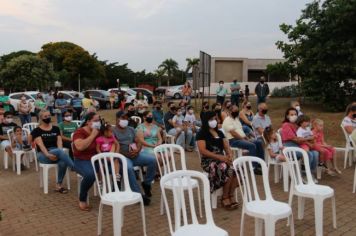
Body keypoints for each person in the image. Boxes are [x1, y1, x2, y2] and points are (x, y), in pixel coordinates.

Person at [196, 111, 239, 210]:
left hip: (222, 159)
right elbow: (203, 151)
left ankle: (230, 194)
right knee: (228, 168)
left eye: (215, 119)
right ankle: (224, 197)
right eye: (211, 119)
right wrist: (220, 158)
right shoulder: (201, 133)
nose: (214, 121)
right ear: (206, 121)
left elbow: (226, 146)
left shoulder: (219, 132)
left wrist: (229, 155)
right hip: (208, 161)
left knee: (236, 168)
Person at [113, 111, 156, 205]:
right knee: (128, 168)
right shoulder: (113, 131)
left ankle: (147, 183)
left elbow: (138, 141)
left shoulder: (131, 129)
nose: (124, 120)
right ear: (117, 119)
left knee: (153, 160)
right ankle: (138, 194)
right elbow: (114, 147)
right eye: (122, 118)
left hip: (135, 154)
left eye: (126, 118)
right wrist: (126, 154)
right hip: (122, 156)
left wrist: (137, 150)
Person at [31, 110, 74, 194]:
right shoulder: (37, 130)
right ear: (41, 118)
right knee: (59, 151)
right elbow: (40, 144)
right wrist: (48, 154)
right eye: (45, 116)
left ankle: (59, 185)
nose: (48, 118)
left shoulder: (55, 128)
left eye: (49, 116)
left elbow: (59, 142)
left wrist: (59, 153)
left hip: (56, 152)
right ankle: (74, 167)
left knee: (63, 162)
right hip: (43, 154)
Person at [222, 105, 265, 174]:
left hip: (241, 138)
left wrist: (247, 138)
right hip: (233, 141)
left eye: (237, 110)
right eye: (235, 111)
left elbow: (241, 131)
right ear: (230, 111)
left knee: (258, 142)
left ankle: (261, 164)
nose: (236, 112)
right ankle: (253, 168)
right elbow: (234, 134)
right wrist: (244, 140)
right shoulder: (227, 121)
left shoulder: (236, 119)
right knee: (252, 145)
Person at [280, 108, 319, 179]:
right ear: (287, 116)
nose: (294, 116)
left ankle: (310, 172)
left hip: (299, 146)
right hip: (289, 147)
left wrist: (308, 140)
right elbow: (296, 139)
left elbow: (302, 137)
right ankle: (305, 174)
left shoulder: (297, 125)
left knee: (315, 153)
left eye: (295, 114)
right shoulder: (286, 125)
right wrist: (308, 139)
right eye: (291, 114)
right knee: (308, 154)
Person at [73, 112, 100, 211]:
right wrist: (92, 135)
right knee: (90, 175)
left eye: (99, 120)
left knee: (120, 167)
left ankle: (114, 193)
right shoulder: (79, 132)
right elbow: (79, 147)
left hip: (97, 159)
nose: (98, 123)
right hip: (82, 160)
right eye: (95, 121)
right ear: (88, 122)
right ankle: (82, 199)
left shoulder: (99, 131)